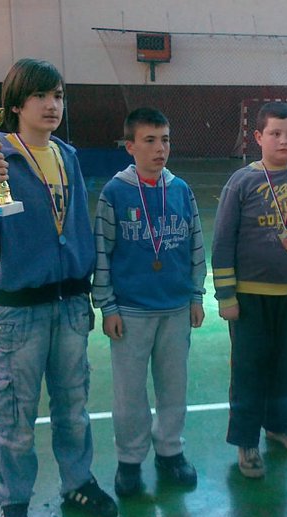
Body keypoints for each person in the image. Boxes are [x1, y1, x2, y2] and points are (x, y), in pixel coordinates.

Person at [0, 58, 117, 517]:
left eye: (59, 96)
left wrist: (89, 288)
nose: (52, 105)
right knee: (16, 415)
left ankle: (77, 483)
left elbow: (78, 225)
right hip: (19, 311)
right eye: (41, 96)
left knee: (74, 407)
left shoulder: (67, 156)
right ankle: (15, 506)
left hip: (70, 306)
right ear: (16, 104)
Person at [92, 107, 206, 497]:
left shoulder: (181, 190)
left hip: (175, 309)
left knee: (174, 388)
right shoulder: (115, 193)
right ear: (130, 146)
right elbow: (102, 252)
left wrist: (196, 294)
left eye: (165, 140)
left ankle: (170, 452)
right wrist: (107, 306)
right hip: (131, 312)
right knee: (129, 393)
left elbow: (195, 245)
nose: (160, 149)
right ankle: (129, 460)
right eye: (150, 141)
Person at [212, 102, 287, 478]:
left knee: (286, 365)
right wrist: (226, 296)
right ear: (258, 137)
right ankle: (246, 441)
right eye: (275, 133)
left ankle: (279, 425)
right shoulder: (242, 182)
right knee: (249, 369)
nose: (283, 140)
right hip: (250, 297)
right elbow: (222, 241)